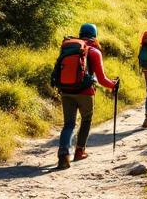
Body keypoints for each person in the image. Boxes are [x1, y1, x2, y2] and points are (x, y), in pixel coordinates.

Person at [51, 23, 118, 170]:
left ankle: (63, 155)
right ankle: (79, 151)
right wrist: (114, 85)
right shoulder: (94, 51)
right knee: (86, 120)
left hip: (66, 91)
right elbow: (102, 79)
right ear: (94, 35)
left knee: (69, 124)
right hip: (85, 93)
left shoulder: (68, 47)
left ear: (80, 34)